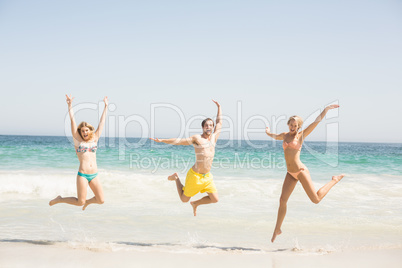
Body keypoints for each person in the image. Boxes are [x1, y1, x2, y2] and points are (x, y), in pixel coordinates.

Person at [266, 104, 344, 242]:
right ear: (288, 124)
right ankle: (277, 229)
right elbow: (275, 136)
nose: (292, 127)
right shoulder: (284, 136)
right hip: (290, 173)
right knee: (282, 200)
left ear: (299, 127)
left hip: (301, 171)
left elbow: (316, 122)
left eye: (295, 126)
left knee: (315, 200)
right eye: (291, 124)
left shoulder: (301, 136)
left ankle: (334, 180)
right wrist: (268, 132)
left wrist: (325, 110)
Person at [150, 100, 222, 216]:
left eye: (210, 125)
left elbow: (219, 123)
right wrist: (163, 140)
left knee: (215, 199)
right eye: (206, 125)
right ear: (203, 127)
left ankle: (195, 203)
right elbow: (179, 141)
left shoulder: (214, 137)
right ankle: (176, 178)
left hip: (207, 176)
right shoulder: (197, 138)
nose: (209, 127)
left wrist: (219, 107)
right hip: (195, 176)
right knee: (184, 199)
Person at [49, 94, 108, 210]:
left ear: (90, 130)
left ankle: (88, 202)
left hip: (94, 174)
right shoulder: (78, 140)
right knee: (80, 202)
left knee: (101, 200)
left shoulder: (95, 138)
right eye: (82, 131)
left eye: (86, 130)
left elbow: (102, 123)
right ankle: (60, 199)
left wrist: (106, 106)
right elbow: (72, 121)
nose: (84, 133)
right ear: (80, 132)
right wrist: (70, 105)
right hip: (83, 175)